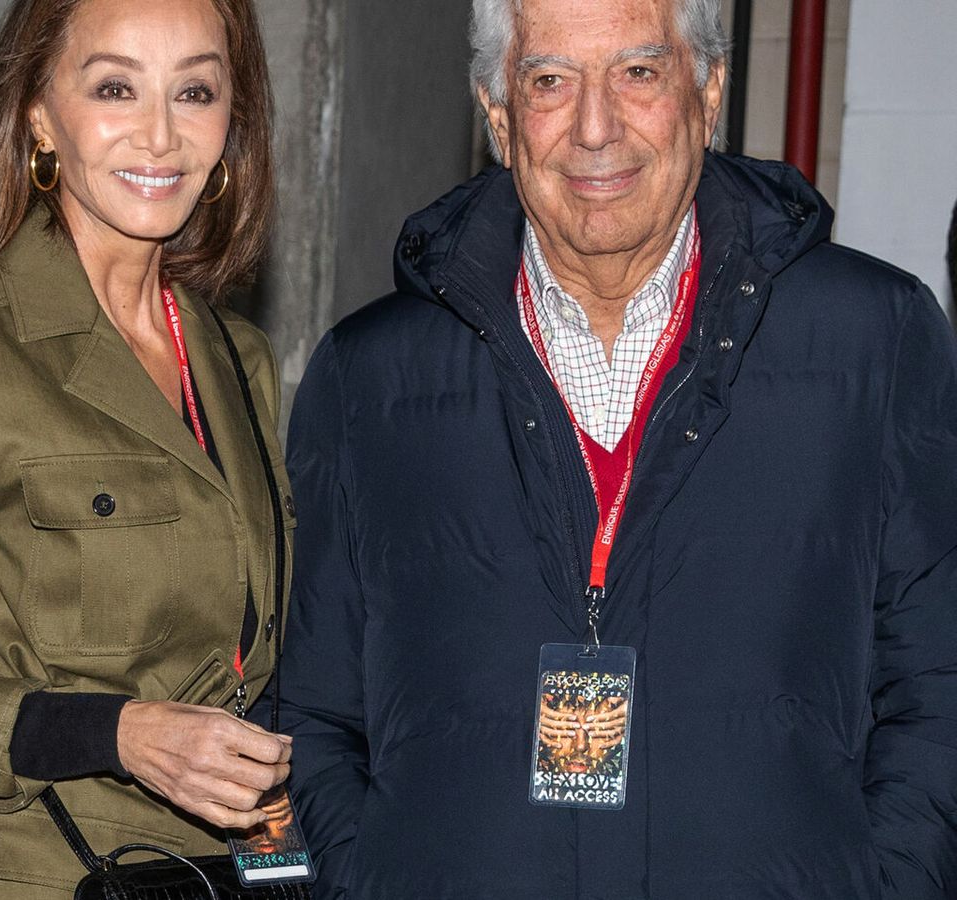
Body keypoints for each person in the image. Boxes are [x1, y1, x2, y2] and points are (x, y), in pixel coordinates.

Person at [277, 0, 957, 897]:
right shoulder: (370, 379)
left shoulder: (877, 339)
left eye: (638, 73)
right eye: (550, 81)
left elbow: (937, 690)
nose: (596, 128)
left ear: (707, 92)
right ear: (498, 119)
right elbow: (316, 717)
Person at [0, 0, 294, 897]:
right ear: (38, 113)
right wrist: (112, 733)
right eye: (115, 87)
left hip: (217, 874)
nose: (160, 135)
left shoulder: (239, 360)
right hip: (37, 872)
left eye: (194, 90)